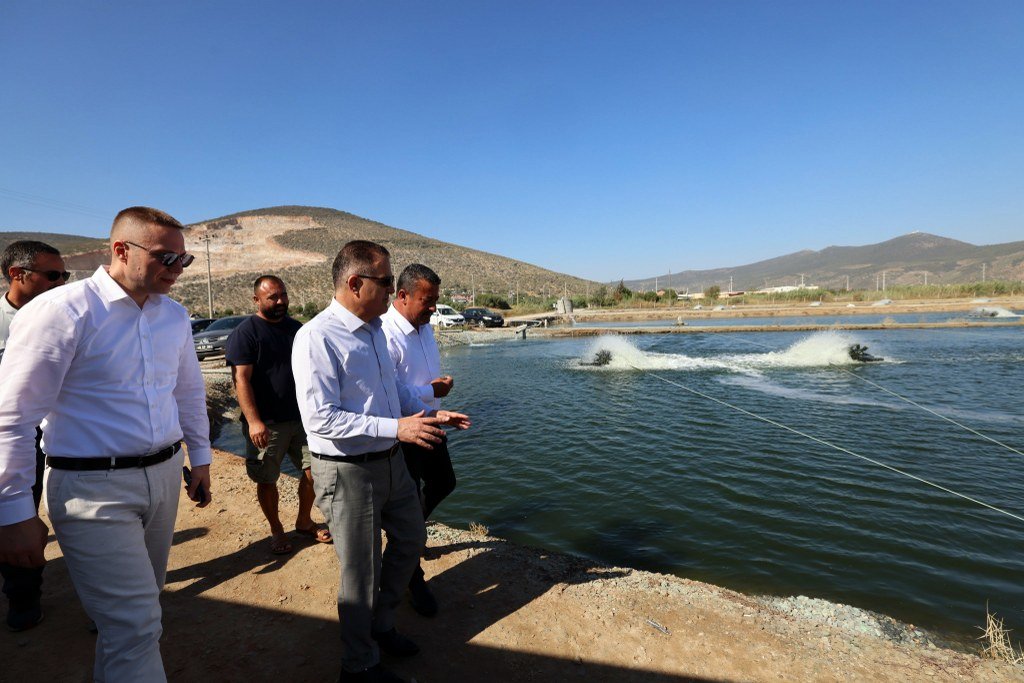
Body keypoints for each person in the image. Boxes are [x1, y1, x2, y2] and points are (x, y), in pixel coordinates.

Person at [0, 207, 212, 681]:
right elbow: (12, 417)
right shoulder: (60, 312)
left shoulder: (174, 316)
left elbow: (187, 392)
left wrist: (200, 457)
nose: (177, 269)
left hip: (164, 477)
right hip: (91, 488)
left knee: (135, 616)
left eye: (183, 259)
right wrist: (13, 512)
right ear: (121, 250)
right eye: (166, 257)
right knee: (136, 626)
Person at [292, 240, 470, 683]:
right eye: (387, 281)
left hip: (390, 462)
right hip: (348, 471)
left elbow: (395, 393)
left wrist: (430, 414)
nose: (393, 290)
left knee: (411, 539)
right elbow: (321, 419)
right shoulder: (316, 337)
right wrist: (397, 429)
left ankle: (382, 624)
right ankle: (358, 665)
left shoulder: (374, 331)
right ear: (355, 283)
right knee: (361, 574)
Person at [226, 275, 331, 555]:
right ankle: (276, 530)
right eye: (273, 297)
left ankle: (304, 521)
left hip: (302, 419)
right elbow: (241, 380)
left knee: (315, 471)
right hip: (266, 424)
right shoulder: (246, 333)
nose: (280, 300)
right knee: (267, 479)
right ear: (256, 300)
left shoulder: (297, 330)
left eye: (283, 294)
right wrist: (254, 421)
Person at [0, 240, 68, 631]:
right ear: (17, 274)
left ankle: (23, 597)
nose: (61, 283)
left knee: (24, 513)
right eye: (53, 275)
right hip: (6, 435)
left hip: (43, 438)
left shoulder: (64, 319)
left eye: (65, 275)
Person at [381, 264, 456, 617]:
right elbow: (391, 391)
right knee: (408, 500)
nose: (433, 308)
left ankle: (409, 536)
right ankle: (413, 577)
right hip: (405, 430)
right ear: (403, 296)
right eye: (428, 300)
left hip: (430, 421)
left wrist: (437, 402)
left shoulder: (424, 327)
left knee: (444, 482)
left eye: (435, 300)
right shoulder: (385, 333)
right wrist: (432, 392)